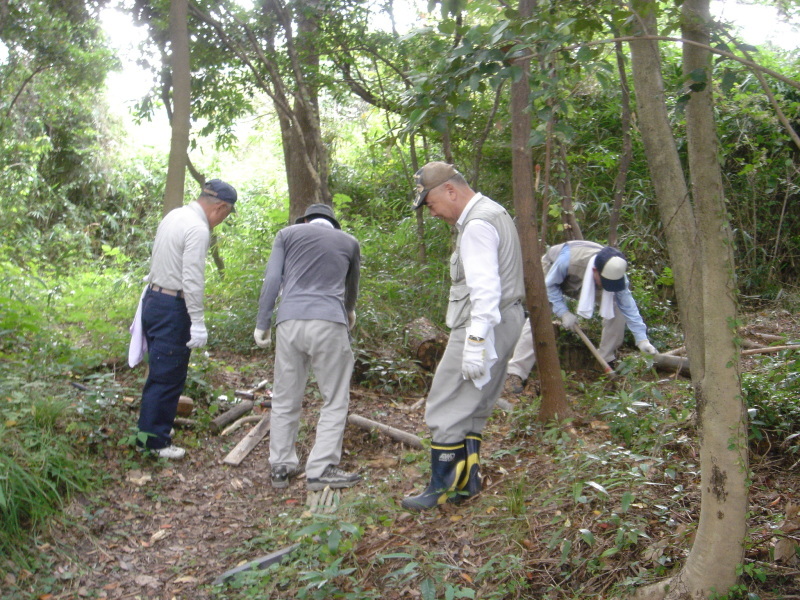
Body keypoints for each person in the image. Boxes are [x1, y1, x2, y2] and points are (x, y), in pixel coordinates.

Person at [401, 162, 525, 512]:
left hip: (482, 322)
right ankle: (467, 482)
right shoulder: (495, 212)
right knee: (474, 403)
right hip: (506, 318)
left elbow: (484, 289)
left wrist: (474, 343)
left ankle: (440, 488)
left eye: (430, 203)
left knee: (445, 400)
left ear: (451, 191)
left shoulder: (476, 225)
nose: (432, 211)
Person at [254, 203, 361, 492]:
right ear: (333, 224)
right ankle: (321, 468)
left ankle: (280, 465)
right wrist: (349, 312)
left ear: (305, 220)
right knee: (334, 397)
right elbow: (351, 287)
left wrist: (262, 321)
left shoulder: (287, 235)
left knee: (286, 396)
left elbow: (273, 279)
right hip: (329, 321)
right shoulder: (349, 242)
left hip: (289, 322)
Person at [133, 179, 237, 459]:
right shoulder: (198, 228)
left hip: (153, 299)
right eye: (226, 214)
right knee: (168, 375)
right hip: (171, 306)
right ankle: (152, 443)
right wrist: (198, 321)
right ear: (221, 207)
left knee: (159, 371)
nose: (222, 220)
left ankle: (153, 430)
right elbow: (192, 278)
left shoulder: (175, 215)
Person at [504, 240, 657, 393]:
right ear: (595, 271)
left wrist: (642, 339)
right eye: (605, 282)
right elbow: (549, 285)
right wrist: (563, 312)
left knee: (617, 307)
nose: (606, 286)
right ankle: (516, 372)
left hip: (584, 280)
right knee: (539, 311)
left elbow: (629, 307)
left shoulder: (617, 276)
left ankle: (604, 359)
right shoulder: (568, 260)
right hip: (552, 271)